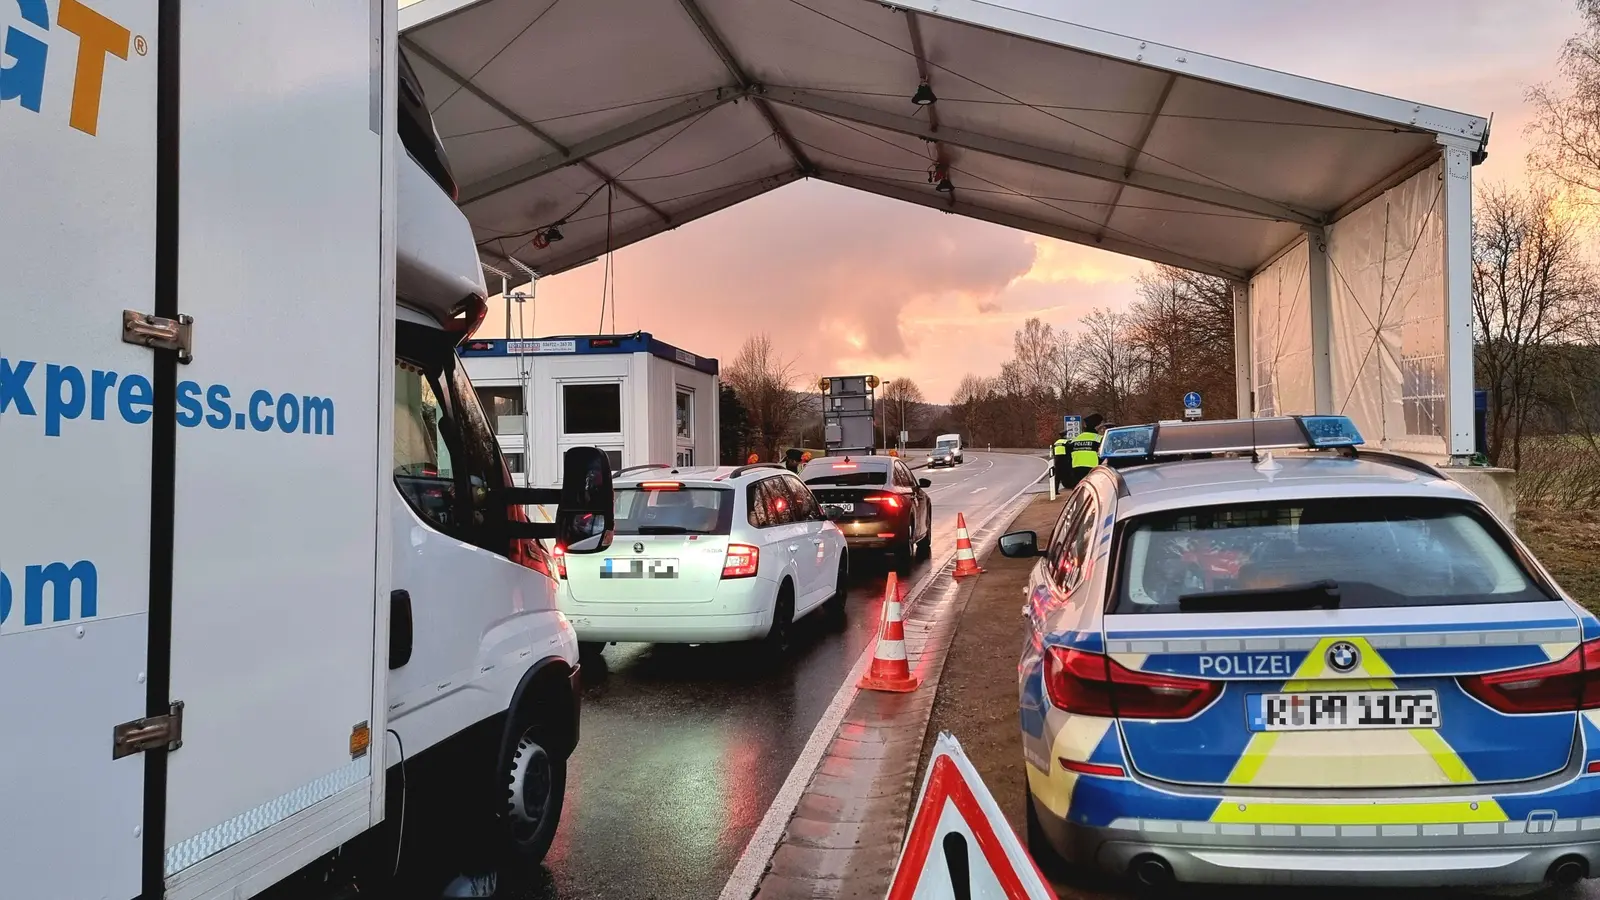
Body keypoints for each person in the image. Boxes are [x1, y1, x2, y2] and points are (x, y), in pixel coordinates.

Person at [1067, 413, 1104, 488]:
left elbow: (1069, 458)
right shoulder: (1099, 439)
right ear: (1096, 427)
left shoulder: (1075, 439)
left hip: (1076, 472)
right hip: (1094, 471)